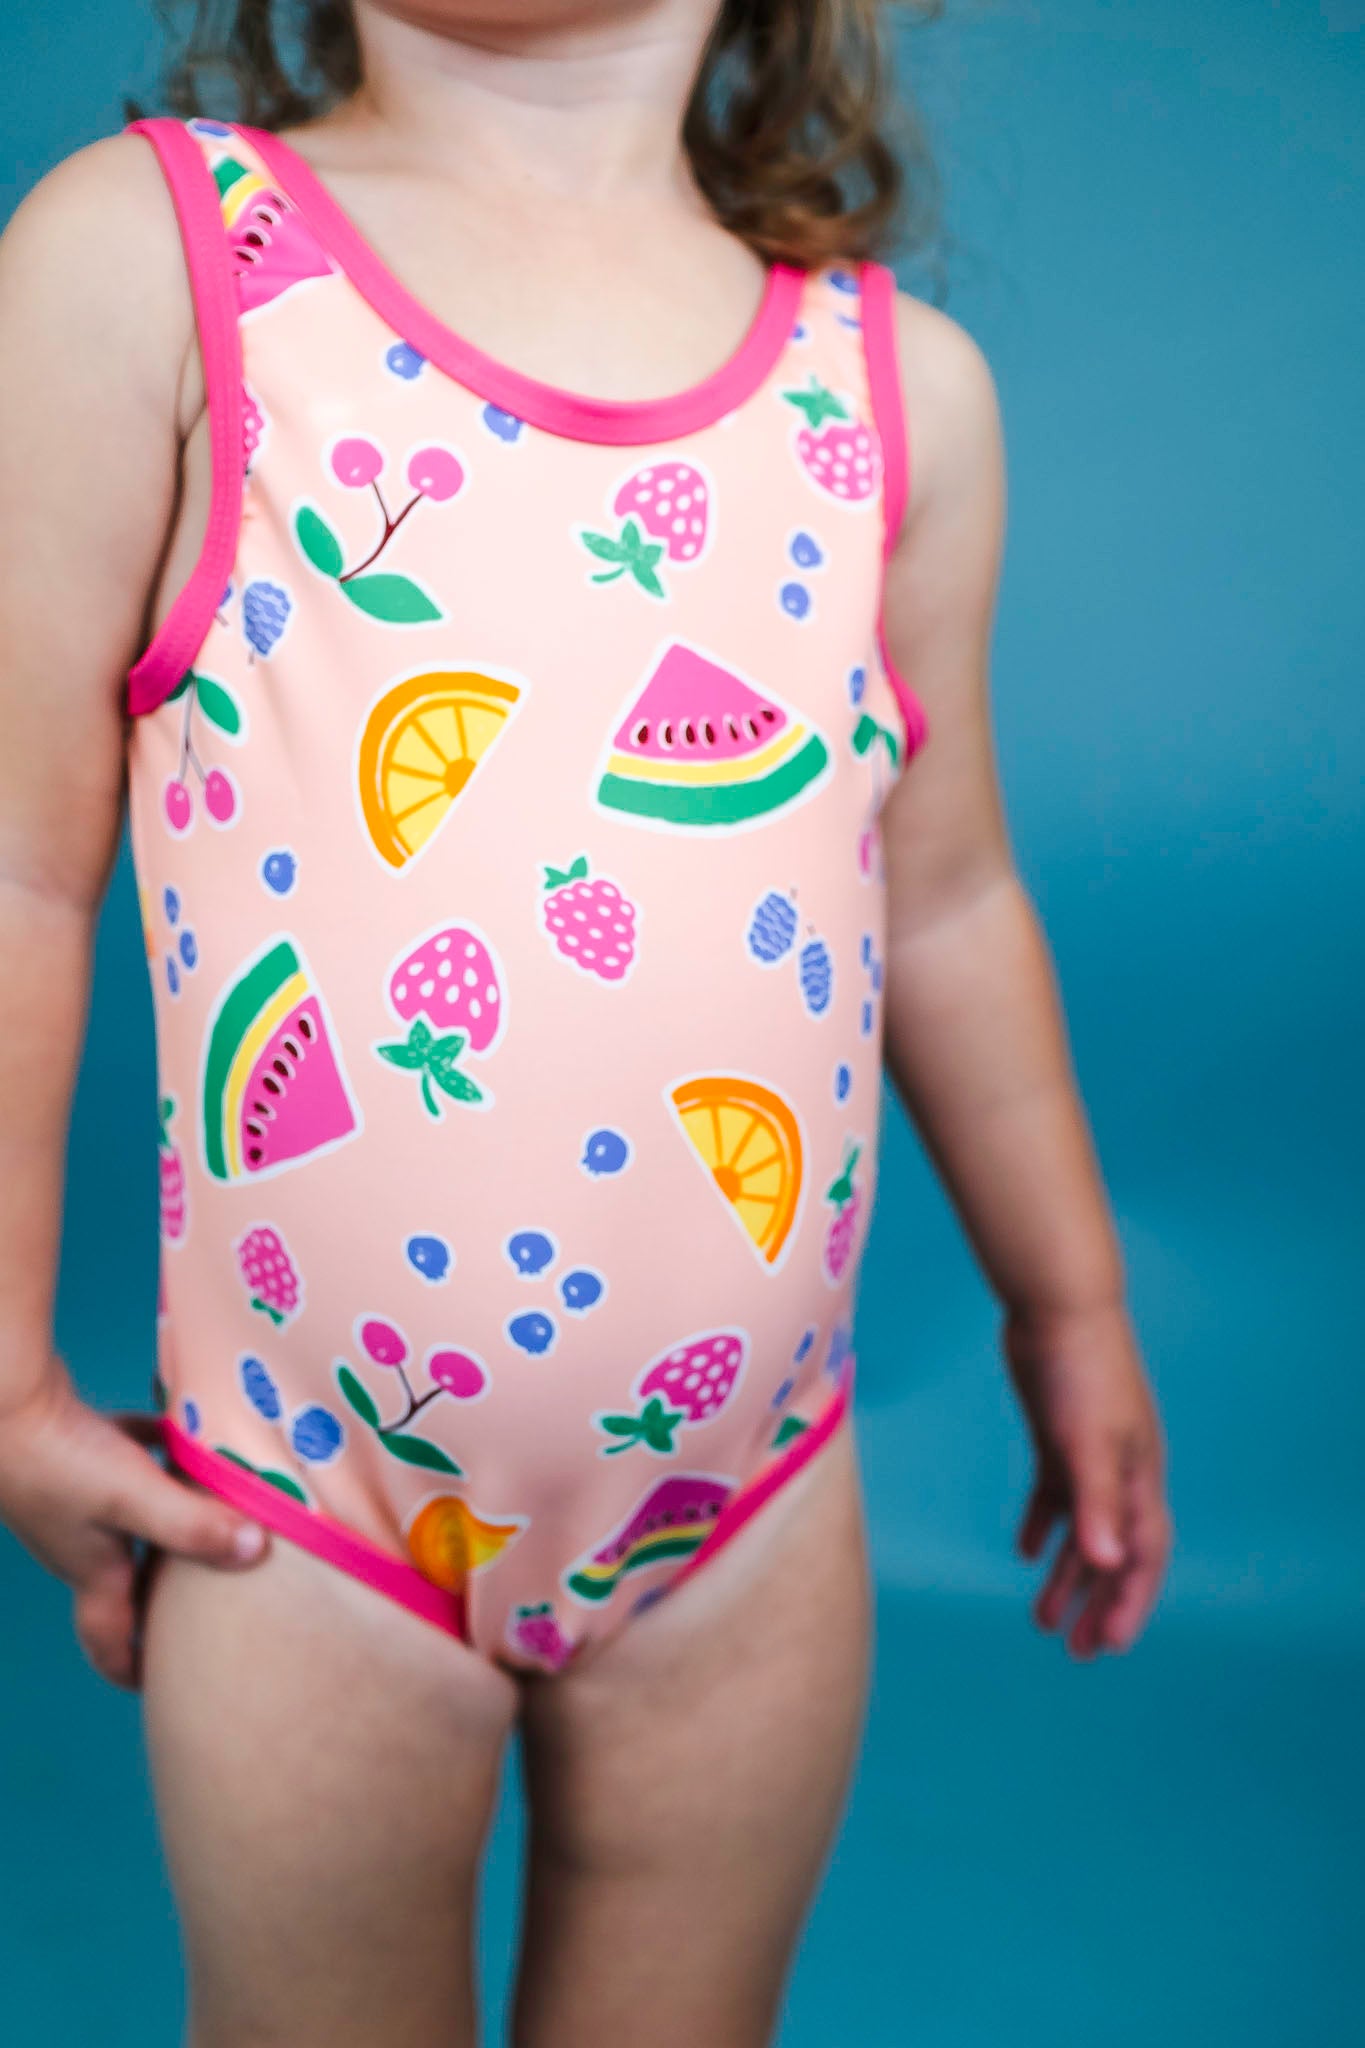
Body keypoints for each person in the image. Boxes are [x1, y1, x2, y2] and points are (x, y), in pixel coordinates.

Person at [0, 2, 1172, 2041]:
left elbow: (950, 898)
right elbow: (16, 862)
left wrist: (1067, 1305)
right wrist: (5, 1377)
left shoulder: (897, 391)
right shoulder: (153, 262)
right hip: (312, 1505)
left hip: (749, 1509)